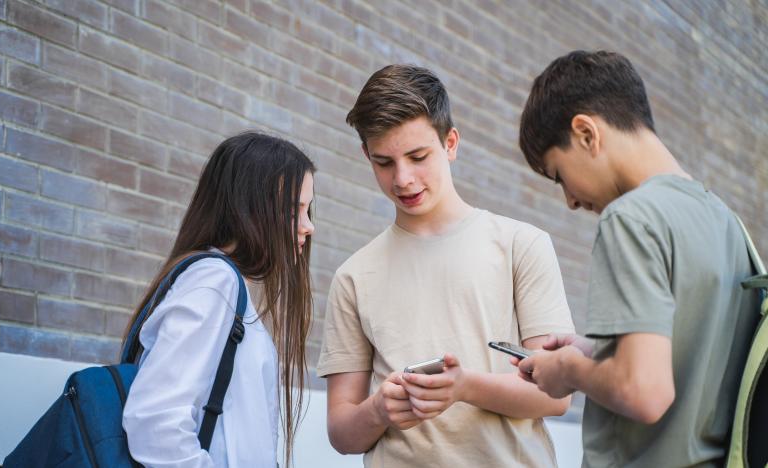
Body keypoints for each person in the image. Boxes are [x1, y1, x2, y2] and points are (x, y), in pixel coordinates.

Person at [317, 64, 576, 467]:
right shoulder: (353, 277)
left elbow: (557, 395)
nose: (402, 179)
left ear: (450, 143)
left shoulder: (520, 245)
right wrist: (378, 411)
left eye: (418, 156)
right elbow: (341, 432)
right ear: (366, 155)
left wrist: (464, 387)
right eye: (384, 162)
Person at [515, 50, 761, 467]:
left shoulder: (629, 219)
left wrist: (568, 371)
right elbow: (694, 355)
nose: (570, 200)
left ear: (586, 133)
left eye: (559, 175)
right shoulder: (727, 222)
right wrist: (600, 349)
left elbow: (644, 391)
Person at [121, 132, 316, 467]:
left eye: (308, 210)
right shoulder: (214, 281)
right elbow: (156, 423)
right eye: (293, 210)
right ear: (249, 207)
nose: (308, 226)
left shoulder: (217, 281)